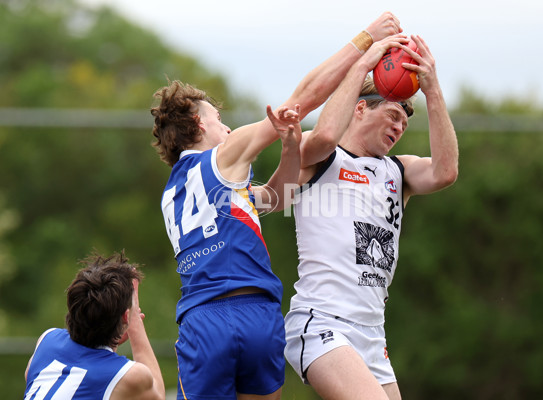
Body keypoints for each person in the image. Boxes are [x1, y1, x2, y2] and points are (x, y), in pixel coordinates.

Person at [149, 13, 404, 400]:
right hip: (255, 313)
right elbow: (303, 99)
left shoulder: (172, 195)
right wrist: (365, 42)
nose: (228, 129)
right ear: (199, 127)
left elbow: (276, 197)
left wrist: (289, 149)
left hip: (203, 318)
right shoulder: (223, 155)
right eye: (219, 120)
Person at [284, 34, 459, 400]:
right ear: (360, 108)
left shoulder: (399, 171)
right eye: (392, 116)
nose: (398, 128)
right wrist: (364, 62)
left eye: (404, 124)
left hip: (372, 333)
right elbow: (328, 131)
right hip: (323, 323)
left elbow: (445, 172)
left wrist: (433, 90)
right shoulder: (322, 157)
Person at [23, 251, 165, 400]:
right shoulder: (130, 375)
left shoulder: (47, 340)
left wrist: (114, 336)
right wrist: (134, 319)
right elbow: (157, 395)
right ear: (125, 317)